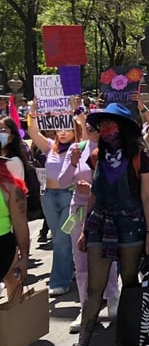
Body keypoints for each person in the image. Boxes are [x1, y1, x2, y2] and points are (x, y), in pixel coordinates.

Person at [56, 103, 149, 346]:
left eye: (111, 124)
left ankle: (130, 338)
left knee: (129, 279)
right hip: (100, 223)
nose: (105, 129)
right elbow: (94, 192)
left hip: (131, 224)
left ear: (122, 127)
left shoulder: (139, 156)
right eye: (102, 125)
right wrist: (85, 231)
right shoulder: (96, 156)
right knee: (94, 286)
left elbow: (148, 197)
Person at [58, 120, 120, 333]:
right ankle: (85, 306)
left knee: (106, 255)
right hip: (79, 210)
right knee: (81, 259)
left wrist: (92, 189)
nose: (93, 131)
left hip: (105, 208)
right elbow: (63, 182)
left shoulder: (113, 150)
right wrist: (74, 163)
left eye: (97, 128)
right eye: (89, 128)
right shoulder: (77, 149)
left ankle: (112, 297)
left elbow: (116, 183)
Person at [26, 106, 79, 296]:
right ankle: (72, 267)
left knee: (61, 239)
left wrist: (76, 109)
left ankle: (59, 281)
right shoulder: (50, 146)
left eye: (68, 129)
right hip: (48, 197)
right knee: (60, 238)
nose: (63, 133)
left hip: (70, 196)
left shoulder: (80, 147)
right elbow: (32, 131)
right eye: (60, 129)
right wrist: (33, 112)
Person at [0, 158, 29, 297]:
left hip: (4, 248)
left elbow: (20, 224)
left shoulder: (11, 186)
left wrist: (24, 258)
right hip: (5, 246)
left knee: (14, 286)